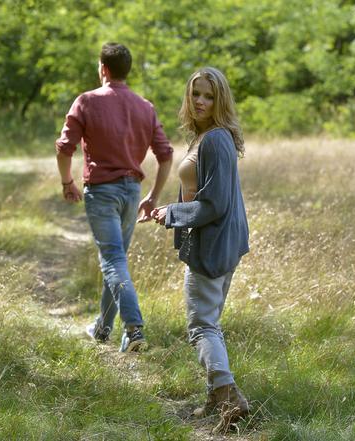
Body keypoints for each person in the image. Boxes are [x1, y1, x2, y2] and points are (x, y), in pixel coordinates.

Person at [55, 42, 173, 352]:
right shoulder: (145, 107)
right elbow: (166, 156)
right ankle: (103, 328)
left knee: (112, 261)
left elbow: (64, 147)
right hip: (132, 193)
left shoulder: (87, 101)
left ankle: (134, 329)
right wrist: (153, 196)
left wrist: (67, 182)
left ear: (103, 69)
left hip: (102, 193)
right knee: (117, 259)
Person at [150, 67, 250, 432]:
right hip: (216, 241)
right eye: (196, 94)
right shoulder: (205, 137)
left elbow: (215, 205)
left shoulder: (215, 141)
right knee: (211, 322)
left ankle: (229, 397)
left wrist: (173, 212)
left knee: (201, 327)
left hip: (213, 244)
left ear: (220, 99)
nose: (201, 101)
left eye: (209, 96)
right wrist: (169, 209)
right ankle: (215, 398)